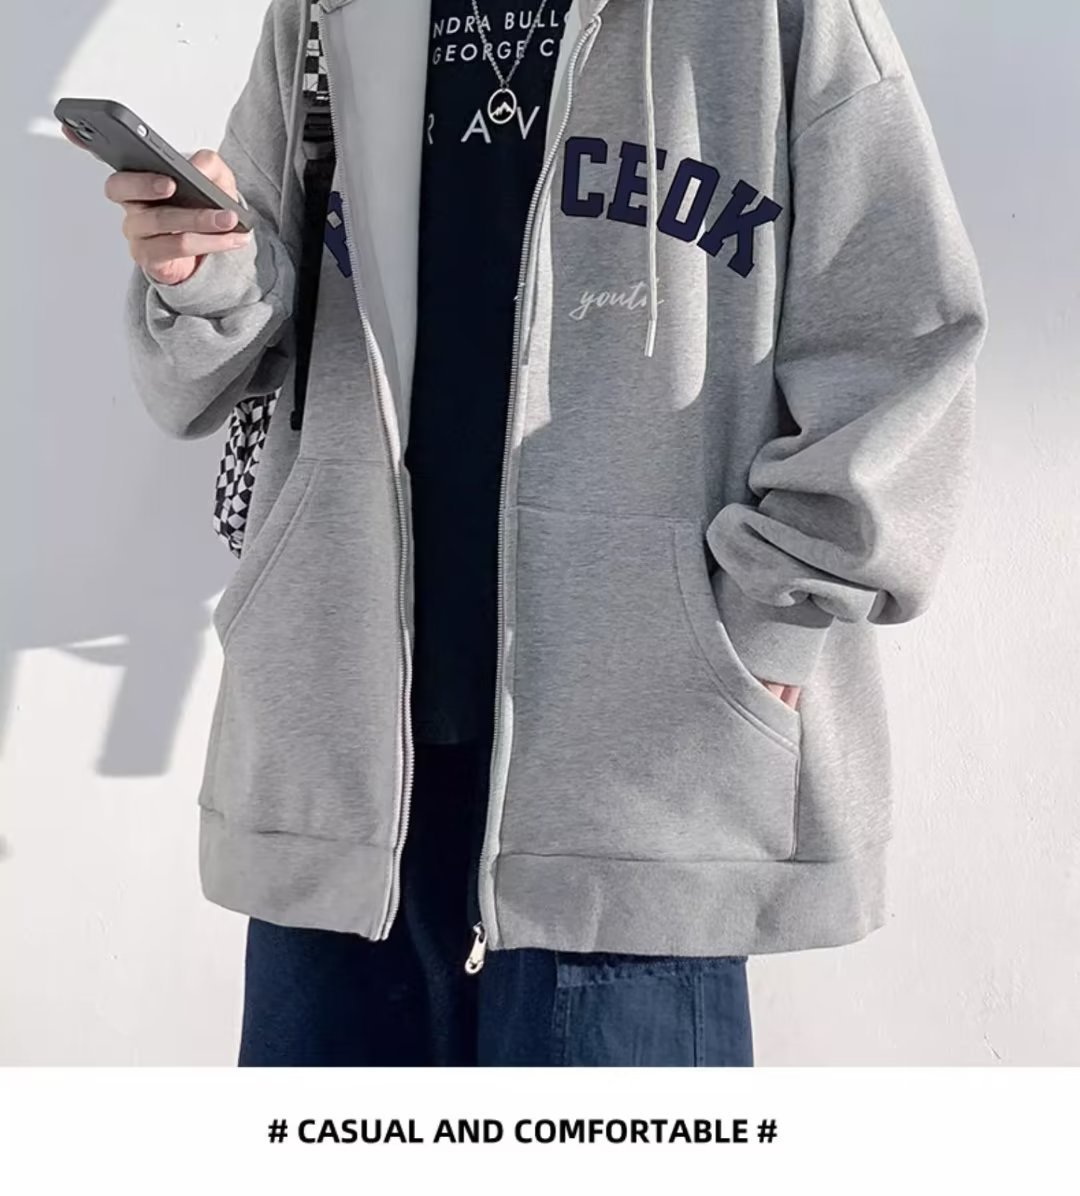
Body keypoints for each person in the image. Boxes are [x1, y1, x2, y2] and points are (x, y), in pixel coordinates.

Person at [78, 0, 987, 1065]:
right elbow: (228, 345)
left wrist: (775, 620)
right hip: (343, 756)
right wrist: (198, 274)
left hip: (638, 757)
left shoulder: (774, 15)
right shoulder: (329, 9)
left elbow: (900, 336)